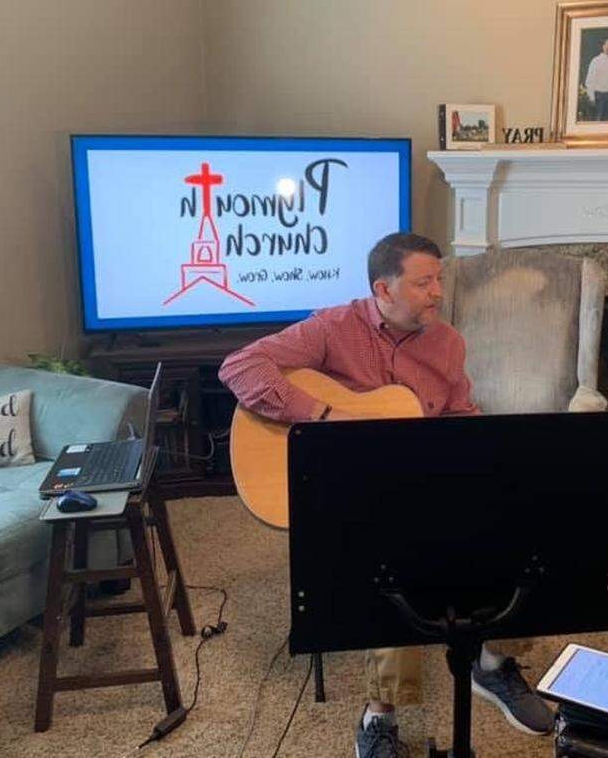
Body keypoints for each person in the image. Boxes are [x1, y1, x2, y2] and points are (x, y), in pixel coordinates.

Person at [219, 232, 555, 758]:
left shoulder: (447, 343)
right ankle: (381, 714)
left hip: (422, 478)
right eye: (424, 282)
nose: (438, 292)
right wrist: (327, 415)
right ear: (384, 288)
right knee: (397, 557)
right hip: (349, 488)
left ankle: (493, 666)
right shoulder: (332, 328)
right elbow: (239, 367)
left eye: (439, 279)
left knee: (517, 524)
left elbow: (459, 415)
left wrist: (494, 451)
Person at [583, 38, 608, 121]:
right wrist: (591, 97)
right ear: (603, 46)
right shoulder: (595, 61)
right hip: (599, 96)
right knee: (598, 123)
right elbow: (589, 80)